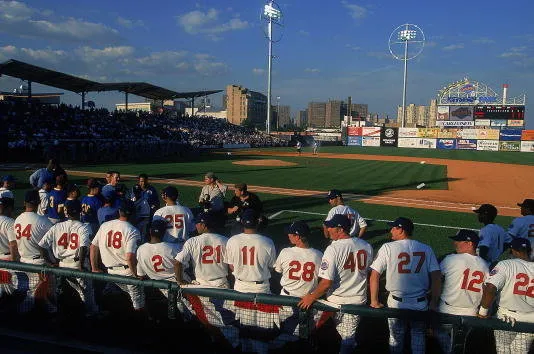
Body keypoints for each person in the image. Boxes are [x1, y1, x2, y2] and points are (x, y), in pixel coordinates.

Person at [299, 214, 372, 353]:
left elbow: (326, 283)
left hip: (336, 301)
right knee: (344, 334)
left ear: (340, 229)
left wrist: (311, 296)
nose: (327, 229)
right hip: (358, 300)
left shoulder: (334, 249)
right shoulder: (366, 245)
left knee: (346, 340)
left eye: (331, 227)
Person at [369, 217, 441, 354]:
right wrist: (433, 302)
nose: (391, 230)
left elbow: (374, 274)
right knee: (418, 336)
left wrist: (374, 300)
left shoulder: (387, 247)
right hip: (420, 303)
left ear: (401, 230)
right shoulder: (426, 248)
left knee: (396, 337)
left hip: (396, 303)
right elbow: (436, 276)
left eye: (393, 227)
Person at [38, 200, 98, 314]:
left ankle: (67, 315)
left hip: (62, 265)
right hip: (77, 264)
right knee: (86, 294)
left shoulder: (57, 226)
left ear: (67, 212)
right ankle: (90, 315)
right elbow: (83, 247)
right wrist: (80, 265)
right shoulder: (84, 227)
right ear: (80, 211)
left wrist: (49, 262)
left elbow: (41, 245)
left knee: (64, 293)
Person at [435, 229, 489, 354]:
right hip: (471, 313)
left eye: (459, 241)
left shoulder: (451, 259)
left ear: (470, 244)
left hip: (447, 311)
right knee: (461, 343)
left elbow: (436, 277)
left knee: (437, 331)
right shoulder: (485, 265)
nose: (455, 244)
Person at [478, 238, 534, 354]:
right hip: (531, 319)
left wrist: (483, 312)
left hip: (507, 317)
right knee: (520, 352)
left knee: (503, 350)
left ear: (513, 251)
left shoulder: (506, 264)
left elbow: (490, 288)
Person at [90, 200, 145, 311]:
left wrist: (94, 268)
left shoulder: (105, 225)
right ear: (133, 213)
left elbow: (93, 247)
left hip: (110, 273)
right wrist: (135, 275)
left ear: (119, 211)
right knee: (139, 304)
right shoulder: (133, 230)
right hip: (127, 273)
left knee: (114, 302)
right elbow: (129, 257)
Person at [13, 190, 55, 312]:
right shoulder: (44, 221)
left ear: (25, 202)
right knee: (45, 296)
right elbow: (50, 246)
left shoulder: (18, 219)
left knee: (27, 294)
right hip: (39, 264)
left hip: (23, 261)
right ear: (38, 202)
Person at [226, 209, 276, 294]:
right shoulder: (268, 242)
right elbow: (271, 267)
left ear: (242, 222)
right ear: (258, 222)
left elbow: (231, 266)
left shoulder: (232, 240)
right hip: (261, 289)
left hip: (240, 287)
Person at [175, 211, 230, 288]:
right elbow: (231, 266)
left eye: (197, 223)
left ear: (203, 225)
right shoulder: (226, 240)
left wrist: (180, 281)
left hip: (201, 286)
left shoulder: (192, 241)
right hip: (221, 285)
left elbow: (178, 263)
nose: (196, 226)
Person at [275, 221, 322, 297]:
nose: (288, 235)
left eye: (290, 233)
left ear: (297, 236)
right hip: (308, 300)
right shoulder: (319, 255)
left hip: (286, 298)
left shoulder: (285, 252)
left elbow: (278, 271)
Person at [137, 219, 181, 296]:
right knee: (196, 306)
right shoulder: (174, 248)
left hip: (161, 286)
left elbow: (141, 275)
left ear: (150, 231)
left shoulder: (140, 249)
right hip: (179, 283)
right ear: (164, 232)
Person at [0, 197, 18, 297]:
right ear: (9, 208)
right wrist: (15, 262)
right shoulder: (10, 222)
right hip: (8, 261)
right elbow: (13, 244)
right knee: (12, 293)